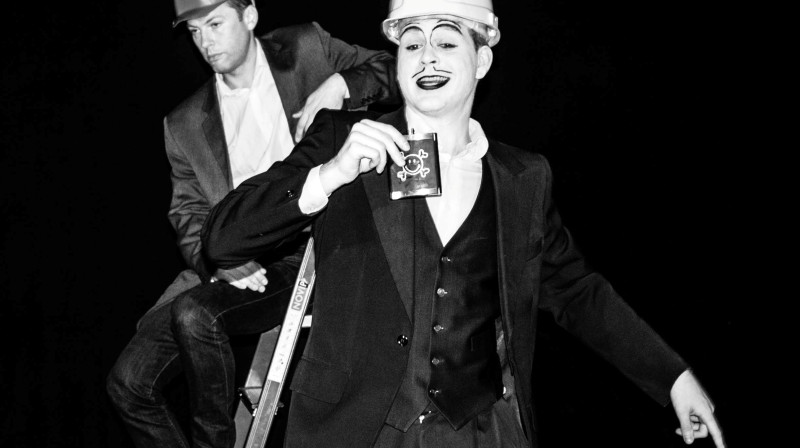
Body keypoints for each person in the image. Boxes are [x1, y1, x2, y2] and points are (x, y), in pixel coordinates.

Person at [201, 0, 726, 447]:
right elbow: (222, 240)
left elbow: (575, 291)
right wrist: (329, 175)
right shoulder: (342, 140)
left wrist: (673, 377)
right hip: (359, 429)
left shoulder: (523, 177)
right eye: (412, 43)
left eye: (447, 42)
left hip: (482, 430)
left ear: (482, 59)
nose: (427, 56)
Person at [105, 1, 399, 446]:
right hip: (235, 258)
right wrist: (219, 264)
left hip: (310, 249)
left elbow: (400, 70)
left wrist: (342, 83)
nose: (205, 42)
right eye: (194, 32)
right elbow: (187, 214)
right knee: (128, 383)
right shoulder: (183, 122)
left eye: (214, 24)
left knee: (194, 314)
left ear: (249, 16)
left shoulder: (306, 48)